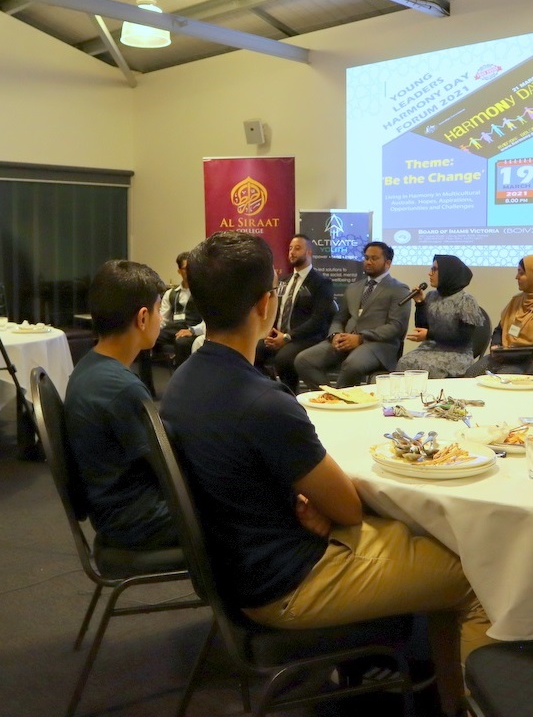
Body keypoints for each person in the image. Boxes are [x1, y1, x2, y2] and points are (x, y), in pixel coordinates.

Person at [160, 230, 494, 717]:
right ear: (265, 304)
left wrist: (302, 501)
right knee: (477, 577)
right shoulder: (264, 402)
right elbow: (346, 508)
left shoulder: (184, 383)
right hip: (288, 583)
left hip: (238, 567)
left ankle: (424, 682)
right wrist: (312, 505)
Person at [64, 259, 181, 551]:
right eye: (158, 310)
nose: (162, 320)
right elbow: (168, 465)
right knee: (247, 509)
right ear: (142, 318)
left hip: (115, 508)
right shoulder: (122, 387)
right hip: (137, 520)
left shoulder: (90, 366)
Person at [294, 241, 410, 388]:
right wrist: (335, 334)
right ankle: (332, 399)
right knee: (304, 360)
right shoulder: (354, 288)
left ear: (387, 263)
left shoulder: (399, 289)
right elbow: (339, 318)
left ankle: (342, 404)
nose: (368, 262)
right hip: (344, 340)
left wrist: (361, 338)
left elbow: (396, 327)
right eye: (366, 258)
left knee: (352, 365)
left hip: (377, 345)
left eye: (374, 258)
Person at [254, 234, 334, 393]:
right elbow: (276, 309)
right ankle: (270, 388)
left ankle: (290, 396)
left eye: (297, 248)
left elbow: (318, 320)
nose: (292, 252)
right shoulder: (284, 280)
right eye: (290, 248)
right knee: (253, 350)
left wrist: (287, 337)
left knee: (283, 358)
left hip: (306, 337)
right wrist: (271, 330)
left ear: (309, 252)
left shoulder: (321, 282)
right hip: (279, 335)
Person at [396, 255, 484, 378]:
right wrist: (419, 303)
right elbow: (422, 327)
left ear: (447, 273)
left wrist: (429, 334)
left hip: (457, 353)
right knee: (404, 362)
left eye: (434, 269)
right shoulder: (432, 296)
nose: (429, 273)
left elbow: (463, 337)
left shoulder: (466, 300)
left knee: (429, 368)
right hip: (430, 348)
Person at [137, 251, 204, 394]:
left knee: (182, 342)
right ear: (179, 271)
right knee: (143, 339)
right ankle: (146, 386)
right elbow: (164, 319)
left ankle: (181, 388)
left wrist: (192, 330)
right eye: (186, 268)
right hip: (173, 328)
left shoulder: (202, 292)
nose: (190, 271)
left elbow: (207, 320)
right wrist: (150, 330)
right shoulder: (170, 293)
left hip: (192, 329)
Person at [465, 255, 533, 377]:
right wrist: (496, 345)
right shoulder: (516, 301)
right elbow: (500, 329)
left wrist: (512, 354)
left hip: (527, 361)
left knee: (502, 377)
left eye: (521, 273)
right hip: (504, 356)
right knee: (471, 374)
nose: (516, 277)